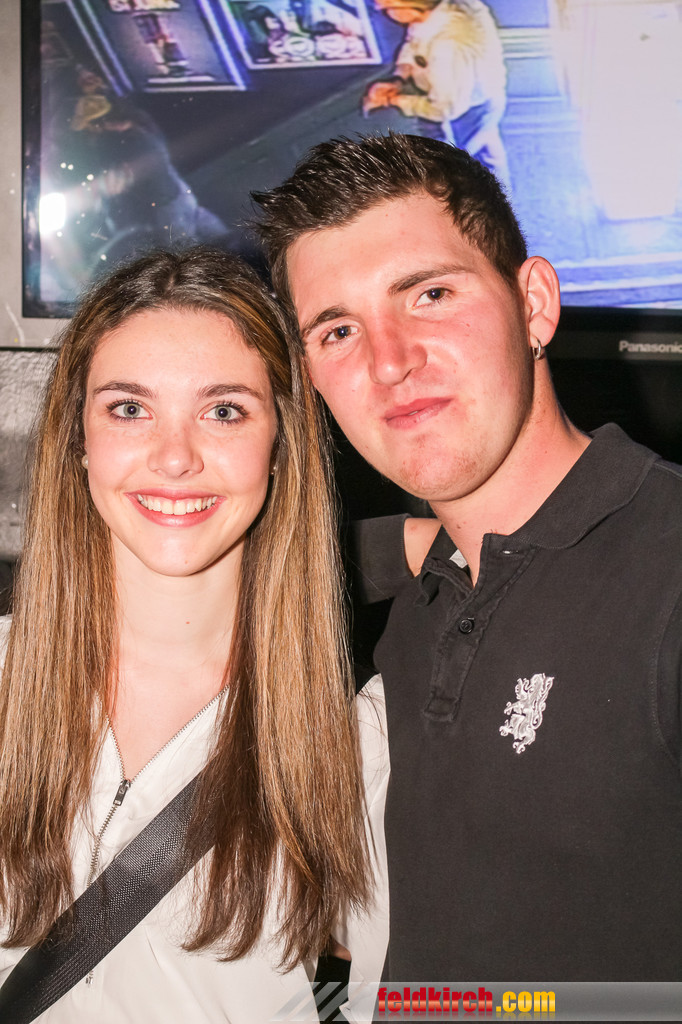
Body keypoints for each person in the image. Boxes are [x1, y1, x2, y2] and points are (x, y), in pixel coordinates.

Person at [252, 133, 682, 983]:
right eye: (338, 330)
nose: (389, 362)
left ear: (534, 305)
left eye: (431, 294)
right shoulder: (430, 603)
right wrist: (416, 544)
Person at [0, 247, 388, 1021]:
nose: (175, 458)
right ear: (79, 439)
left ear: (281, 443)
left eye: (224, 411)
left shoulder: (362, 745)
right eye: (129, 408)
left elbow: (430, 1000)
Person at [363, 0, 510, 189]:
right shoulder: (452, 9)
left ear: (408, 6)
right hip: (486, 95)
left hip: (467, 109)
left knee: (459, 166)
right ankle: (502, 192)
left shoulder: (446, 48)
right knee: (487, 151)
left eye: (386, 9)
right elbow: (413, 44)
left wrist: (395, 100)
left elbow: (444, 109)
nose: (385, 14)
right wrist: (399, 79)